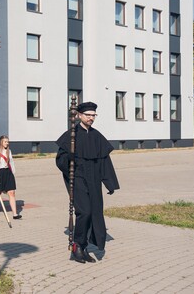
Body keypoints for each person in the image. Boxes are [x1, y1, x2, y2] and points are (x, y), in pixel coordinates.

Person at [56, 101, 120, 264]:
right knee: (84, 211)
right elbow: (60, 160)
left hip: (93, 179)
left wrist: (109, 182)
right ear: (79, 115)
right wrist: (67, 158)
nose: (91, 118)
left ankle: (83, 248)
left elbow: (105, 160)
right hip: (77, 177)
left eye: (93, 115)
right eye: (88, 115)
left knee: (94, 212)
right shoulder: (70, 135)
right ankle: (76, 247)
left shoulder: (97, 136)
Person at [0, 135, 21, 219]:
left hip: (8, 173)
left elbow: (11, 163)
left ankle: (15, 214)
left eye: (8, 142)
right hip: (0, 173)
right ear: (1, 142)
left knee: (12, 192)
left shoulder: (9, 151)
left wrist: (13, 173)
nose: (7, 143)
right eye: (5, 141)